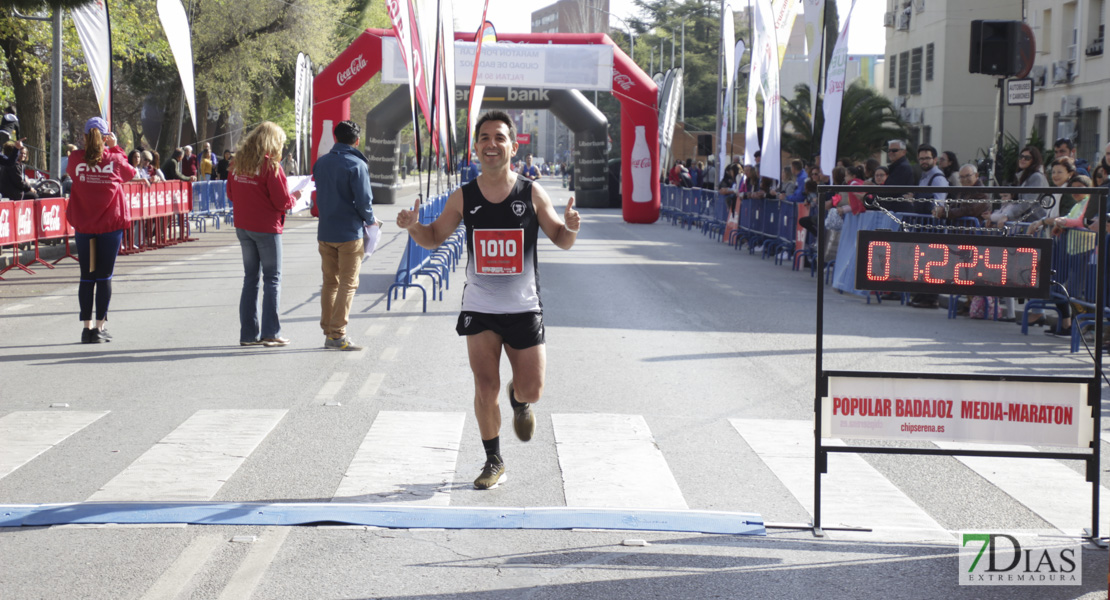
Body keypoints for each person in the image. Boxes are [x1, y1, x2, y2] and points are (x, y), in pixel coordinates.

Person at [396, 110, 580, 490]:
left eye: (499, 138)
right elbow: (432, 238)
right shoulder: (464, 196)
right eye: (484, 138)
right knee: (484, 387)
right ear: (476, 147)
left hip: (524, 307)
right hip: (480, 307)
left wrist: (572, 229)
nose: (491, 144)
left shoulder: (530, 192)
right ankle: (493, 460)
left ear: (513, 146)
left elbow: (560, 239)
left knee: (532, 388)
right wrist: (413, 225)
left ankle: (519, 399)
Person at [227, 121, 301, 348]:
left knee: (250, 279)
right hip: (267, 228)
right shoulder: (272, 166)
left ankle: (248, 334)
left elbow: (230, 193)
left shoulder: (237, 164)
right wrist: (295, 196)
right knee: (272, 279)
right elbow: (281, 202)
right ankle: (271, 332)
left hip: (243, 226)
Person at [65, 117, 139, 343]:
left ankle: (86, 328)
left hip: (85, 226)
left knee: (87, 277)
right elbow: (131, 174)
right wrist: (115, 146)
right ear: (106, 137)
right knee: (104, 277)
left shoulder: (75, 159)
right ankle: (99, 327)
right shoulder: (115, 157)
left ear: (85, 137)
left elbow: (74, 173)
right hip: (109, 225)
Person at [312, 120, 381, 351]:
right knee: (348, 284)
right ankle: (338, 334)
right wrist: (371, 222)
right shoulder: (357, 165)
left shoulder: (321, 163)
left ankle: (328, 331)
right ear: (357, 141)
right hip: (349, 233)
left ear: (335, 137)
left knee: (330, 283)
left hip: (325, 231)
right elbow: (364, 201)